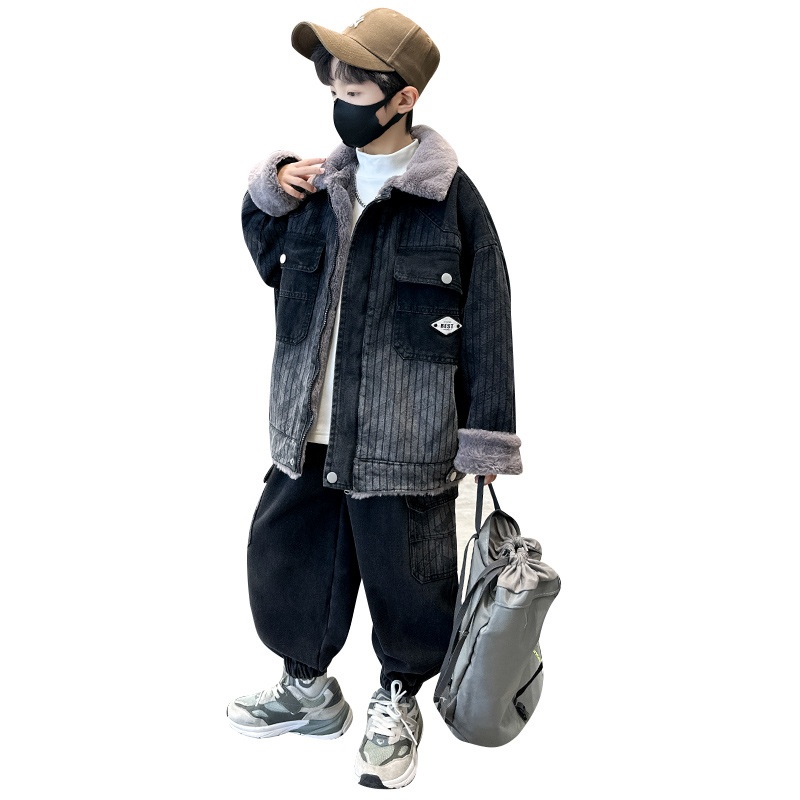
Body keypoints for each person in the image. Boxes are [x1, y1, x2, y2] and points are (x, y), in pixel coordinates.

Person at [227, 8, 522, 790]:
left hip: (406, 440)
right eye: (334, 87)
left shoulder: (452, 203)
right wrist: (271, 186)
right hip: (308, 430)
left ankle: (397, 699)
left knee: (410, 579)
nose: (339, 100)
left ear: (403, 98)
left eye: (355, 90)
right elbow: (263, 253)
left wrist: (486, 440)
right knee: (288, 558)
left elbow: (489, 322)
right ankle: (307, 690)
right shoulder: (317, 189)